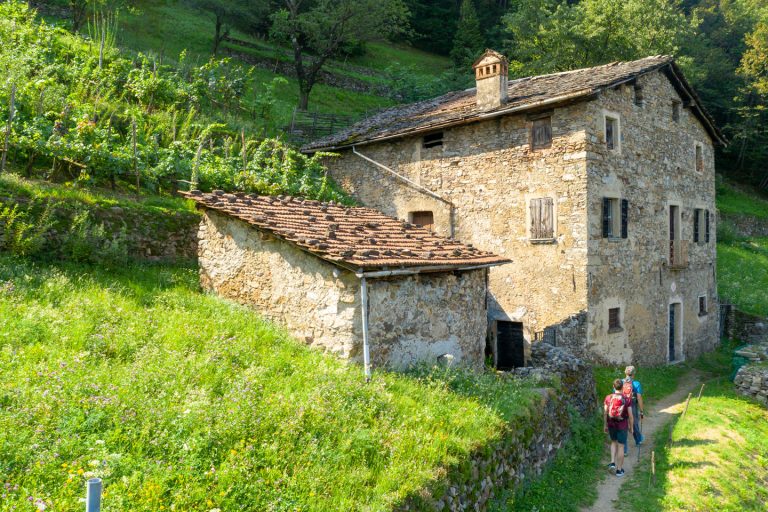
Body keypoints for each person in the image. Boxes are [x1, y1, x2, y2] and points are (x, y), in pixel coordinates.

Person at [604, 378, 634, 477]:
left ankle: (612, 463)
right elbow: (630, 415)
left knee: (613, 442)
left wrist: (605, 425)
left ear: (613, 387)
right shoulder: (627, 399)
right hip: (622, 425)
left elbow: (605, 413)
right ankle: (619, 470)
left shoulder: (608, 397)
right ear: (623, 387)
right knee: (621, 446)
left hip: (611, 423)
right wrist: (631, 427)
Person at [622, 365, 645, 453]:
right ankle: (638, 440)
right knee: (634, 423)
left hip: (622, 406)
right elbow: (639, 398)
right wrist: (641, 411)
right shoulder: (636, 384)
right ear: (634, 374)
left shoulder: (620, 382)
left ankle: (624, 450)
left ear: (625, 373)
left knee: (623, 426)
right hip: (632, 405)